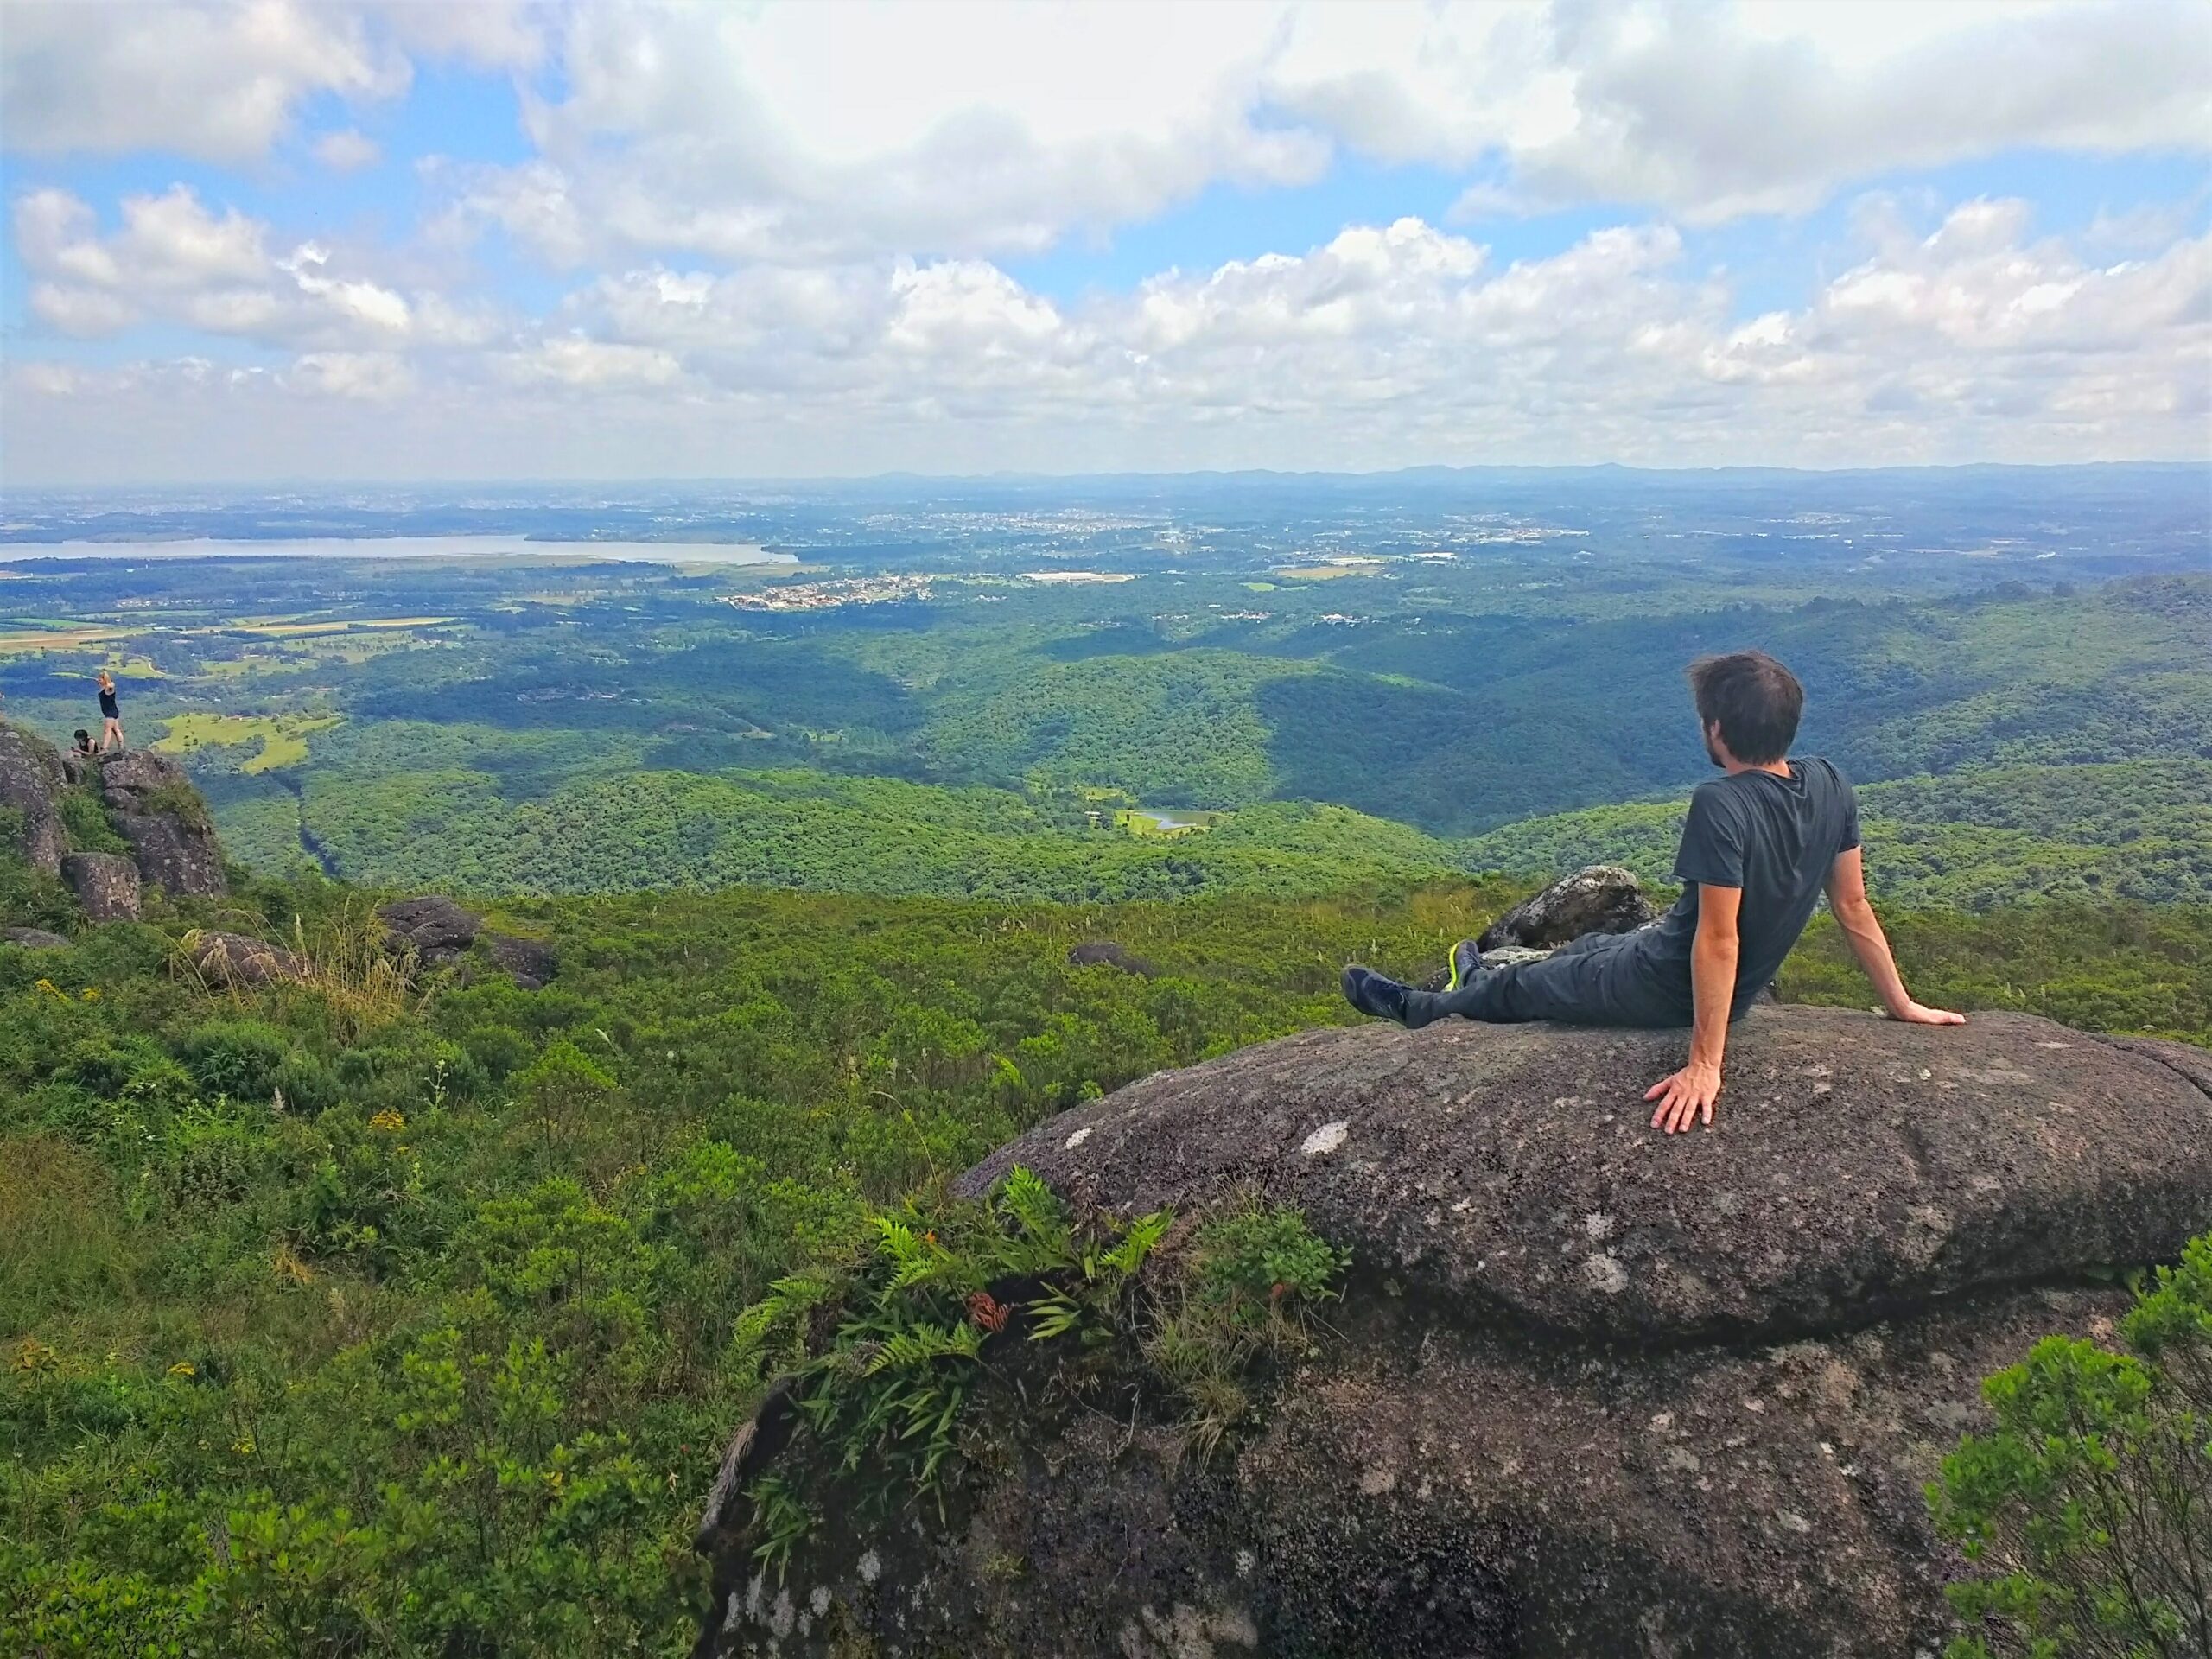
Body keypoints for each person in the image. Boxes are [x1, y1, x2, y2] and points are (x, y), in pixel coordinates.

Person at [1342, 650, 1963, 1135]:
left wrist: (1705, 1064)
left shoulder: (1722, 802)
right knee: (1579, 950)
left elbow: (1719, 939)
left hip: (1665, 984)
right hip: (1670, 960)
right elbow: (1852, 905)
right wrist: (1901, 1004)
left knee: (1521, 987)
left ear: (1716, 730)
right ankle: (1472, 982)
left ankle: (1419, 1007)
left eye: (1703, 719)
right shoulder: (1830, 780)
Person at [96, 671, 124, 753]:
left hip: (110, 712)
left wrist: (107, 682)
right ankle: (121, 747)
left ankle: (104, 748)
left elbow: (111, 686)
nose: (98, 680)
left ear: (105, 679)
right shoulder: (104, 688)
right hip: (112, 711)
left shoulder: (108, 688)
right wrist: (101, 682)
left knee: (107, 730)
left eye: (100, 679)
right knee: (116, 730)